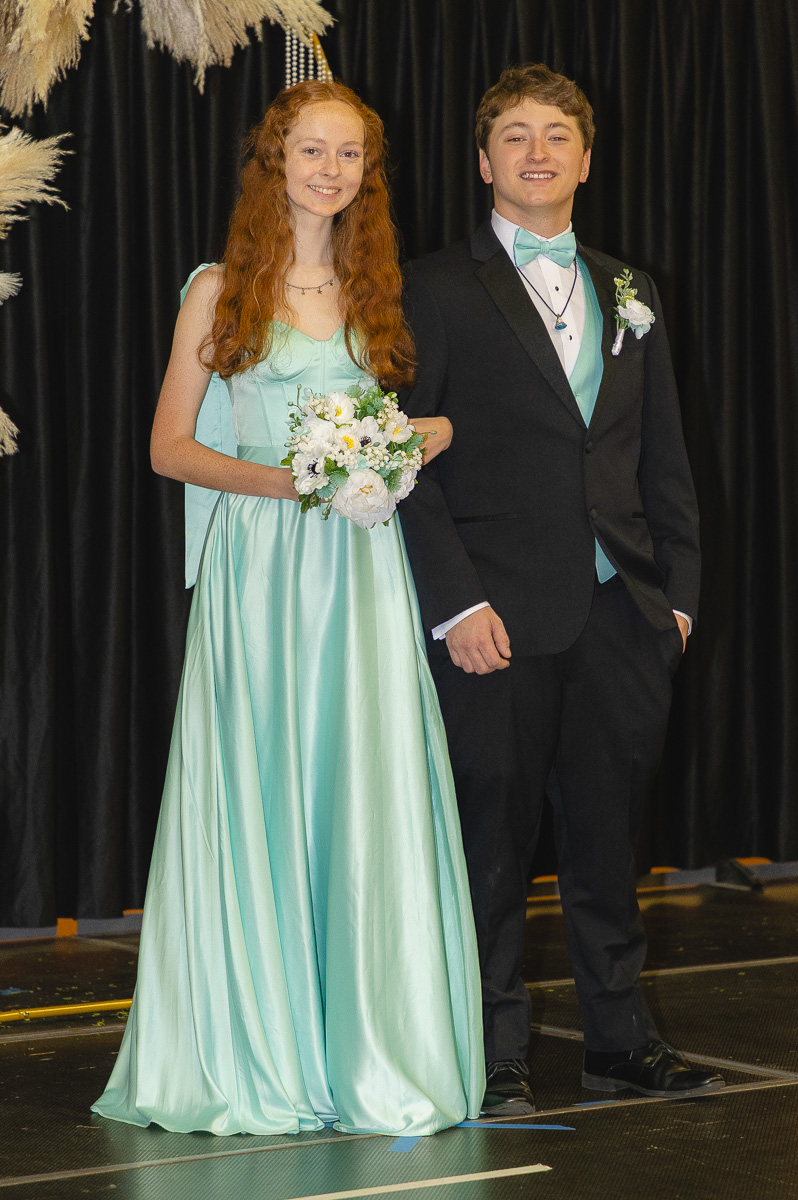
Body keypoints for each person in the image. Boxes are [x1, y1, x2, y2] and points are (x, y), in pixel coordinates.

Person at [92, 80, 484, 1137]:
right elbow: (169, 448)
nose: (330, 171)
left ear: (368, 171)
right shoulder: (221, 290)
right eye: (310, 151)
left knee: (357, 794)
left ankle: (368, 1047)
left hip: (357, 576)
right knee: (264, 788)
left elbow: (382, 437)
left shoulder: (374, 288)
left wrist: (408, 443)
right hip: (262, 575)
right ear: (273, 162)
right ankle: (253, 1050)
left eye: (349, 155)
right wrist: (294, 479)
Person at [399, 62, 725, 1115]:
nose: (535, 153)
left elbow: (661, 456)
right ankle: (492, 1054)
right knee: (489, 847)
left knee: (604, 843)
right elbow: (400, 462)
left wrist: (674, 596)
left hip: (622, 615)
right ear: (482, 160)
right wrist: (452, 604)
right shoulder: (434, 285)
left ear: (585, 158)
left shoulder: (630, 288)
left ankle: (618, 1041)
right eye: (513, 136)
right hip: (494, 616)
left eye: (554, 136)